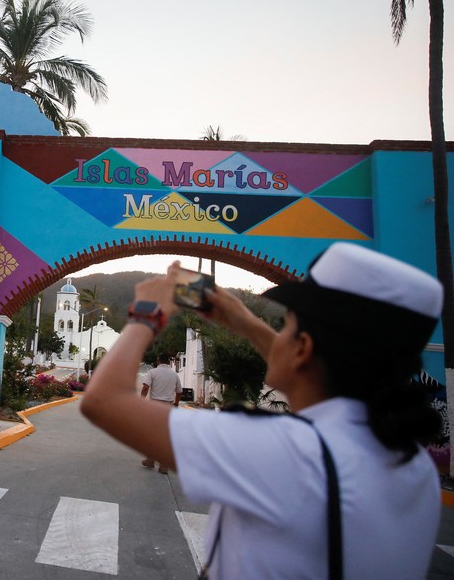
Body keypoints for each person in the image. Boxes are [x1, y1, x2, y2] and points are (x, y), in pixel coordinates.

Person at [80, 242, 442, 579]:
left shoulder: (290, 454)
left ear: (302, 349)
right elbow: (307, 377)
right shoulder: (412, 462)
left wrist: (146, 315)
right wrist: (246, 323)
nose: (276, 333)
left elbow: (104, 400)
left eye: (284, 326)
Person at [140, 353, 182, 474]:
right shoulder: (174, 375)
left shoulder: (152, 372)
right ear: (168, 362)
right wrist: (176, 404)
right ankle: (164, 466)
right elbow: (179, 392)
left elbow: (145, 388)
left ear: (158, 360)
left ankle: (150, 460)